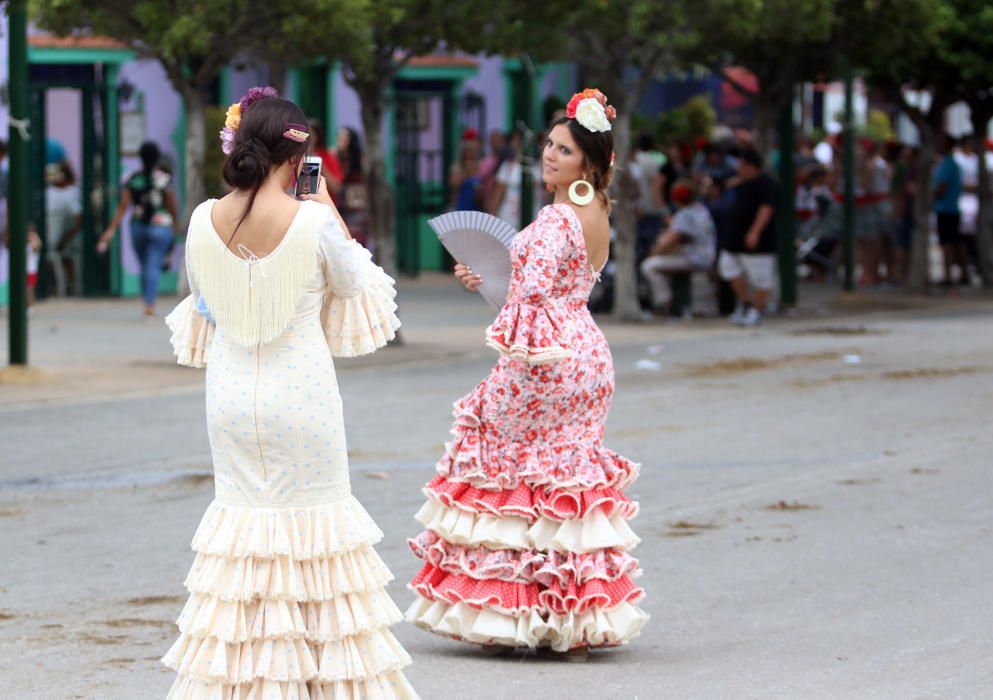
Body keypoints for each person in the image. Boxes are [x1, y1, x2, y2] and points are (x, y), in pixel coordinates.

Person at [160, 88, 416, 699]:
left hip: (228, 396)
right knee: (315, 538)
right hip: (301, 394)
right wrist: (326, 205)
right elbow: (355, 281)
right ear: (296, 154)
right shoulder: (312, 220)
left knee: (245, 541)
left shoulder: (202, 218)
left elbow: (202, 299)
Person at [406, 88, 648, 661]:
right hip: (585, 352)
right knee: (567, 483)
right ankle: (573, 621)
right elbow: (552, 295)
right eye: (548, 145)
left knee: (508, 473)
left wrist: (497, 284)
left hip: (546, 361)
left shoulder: (558, 217)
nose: (550, 156)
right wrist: (491, 281)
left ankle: (512, 611)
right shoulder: (596, 213)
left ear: (589, 163)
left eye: (564, 150)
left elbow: (530, 298)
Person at [97, 141, 179, 316]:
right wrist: (175, 224)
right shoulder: (164, 179)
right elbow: (172, 204)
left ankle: (147, 300)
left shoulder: (132, 179)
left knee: (145, 264)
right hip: (160, 226)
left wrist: (110, 230)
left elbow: (123, 207)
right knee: (154, 263)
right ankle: (150, 303)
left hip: (138, 227)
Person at [720, 146, 778, 326]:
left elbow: (766, 209)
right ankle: (746, 304)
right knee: (728, 268)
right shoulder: (740, 183)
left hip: (759, 240)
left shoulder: (768, 184)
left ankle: (758, 310)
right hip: (734, 238)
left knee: (760, 276)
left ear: (750, 165)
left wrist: (755, 231)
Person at [639, 179, 716, 313]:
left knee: (649, 265)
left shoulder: (684, 214)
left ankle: (664, 303)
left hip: (695, 259)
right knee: (664, 263)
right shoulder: (701, 209)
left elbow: (669, 241)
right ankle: (673, 303)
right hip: (706, 256)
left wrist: (653, 253)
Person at [44, 161, 83, 296]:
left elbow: (79, 220)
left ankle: (67, 287)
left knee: (67, 257)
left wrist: (65, 238)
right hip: (61, 239)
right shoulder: (54, 193)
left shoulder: (69, 192)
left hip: (67, 238)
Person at [933, 134, 967, 285]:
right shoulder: (951, 163)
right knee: (955, 242)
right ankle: (963, 273)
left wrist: (929, 197)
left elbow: (941, 187)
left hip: (946, 209)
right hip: (951, 209)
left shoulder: (948, 164)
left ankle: (948, 276)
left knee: (948, 243)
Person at [335, 126, 369, 248]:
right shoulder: (335, 156)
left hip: (357, 202)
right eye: (339, 137)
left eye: (344, 137)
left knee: (356, 237)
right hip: (341, 201)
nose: (340, 140)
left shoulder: (359, 159)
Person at [309, 121, 344, 202]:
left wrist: (319, 164)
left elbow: (336, 188)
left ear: (317, 137)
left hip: (325, 206)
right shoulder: (295, 157)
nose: (306, 138)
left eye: (311, 135)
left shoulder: (327, 156)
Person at [449, 135, 484, 211]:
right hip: (462, 205)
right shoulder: (457, 168)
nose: (468, 160)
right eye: (466, 158)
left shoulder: (481, 167)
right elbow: (454, 185)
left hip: (476, 206)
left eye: (471, 157)